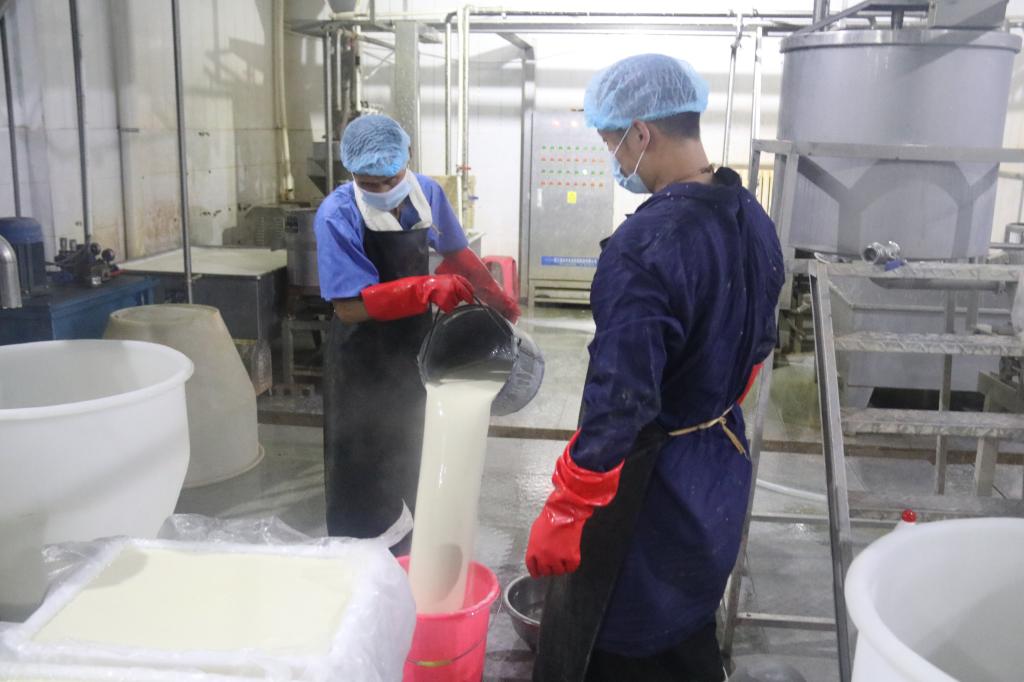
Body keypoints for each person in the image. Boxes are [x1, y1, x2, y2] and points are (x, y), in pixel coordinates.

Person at [525, 54, 784, 682]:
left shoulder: (643, 247)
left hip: (650, 487)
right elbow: (756, 347)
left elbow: (622, 400)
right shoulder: (751, 216)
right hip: (718, 461)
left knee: (623, 639)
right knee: (688, 621)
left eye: (612, 143)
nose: (614, 160)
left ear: (641, 133)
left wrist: (568, 507)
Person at [315, 114, 519, 550]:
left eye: (390, 179)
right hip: (360, 361)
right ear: (351, 173)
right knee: (362, 466)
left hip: (416, 347)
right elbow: (348, 308)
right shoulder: (337, 213)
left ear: (406, 161)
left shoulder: (426, 193)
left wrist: (494, 296)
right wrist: (424, 288)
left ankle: (418, 549)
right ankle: (366, 559)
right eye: (368, 183)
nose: (381, 190)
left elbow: (456, 252)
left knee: (417, 450)